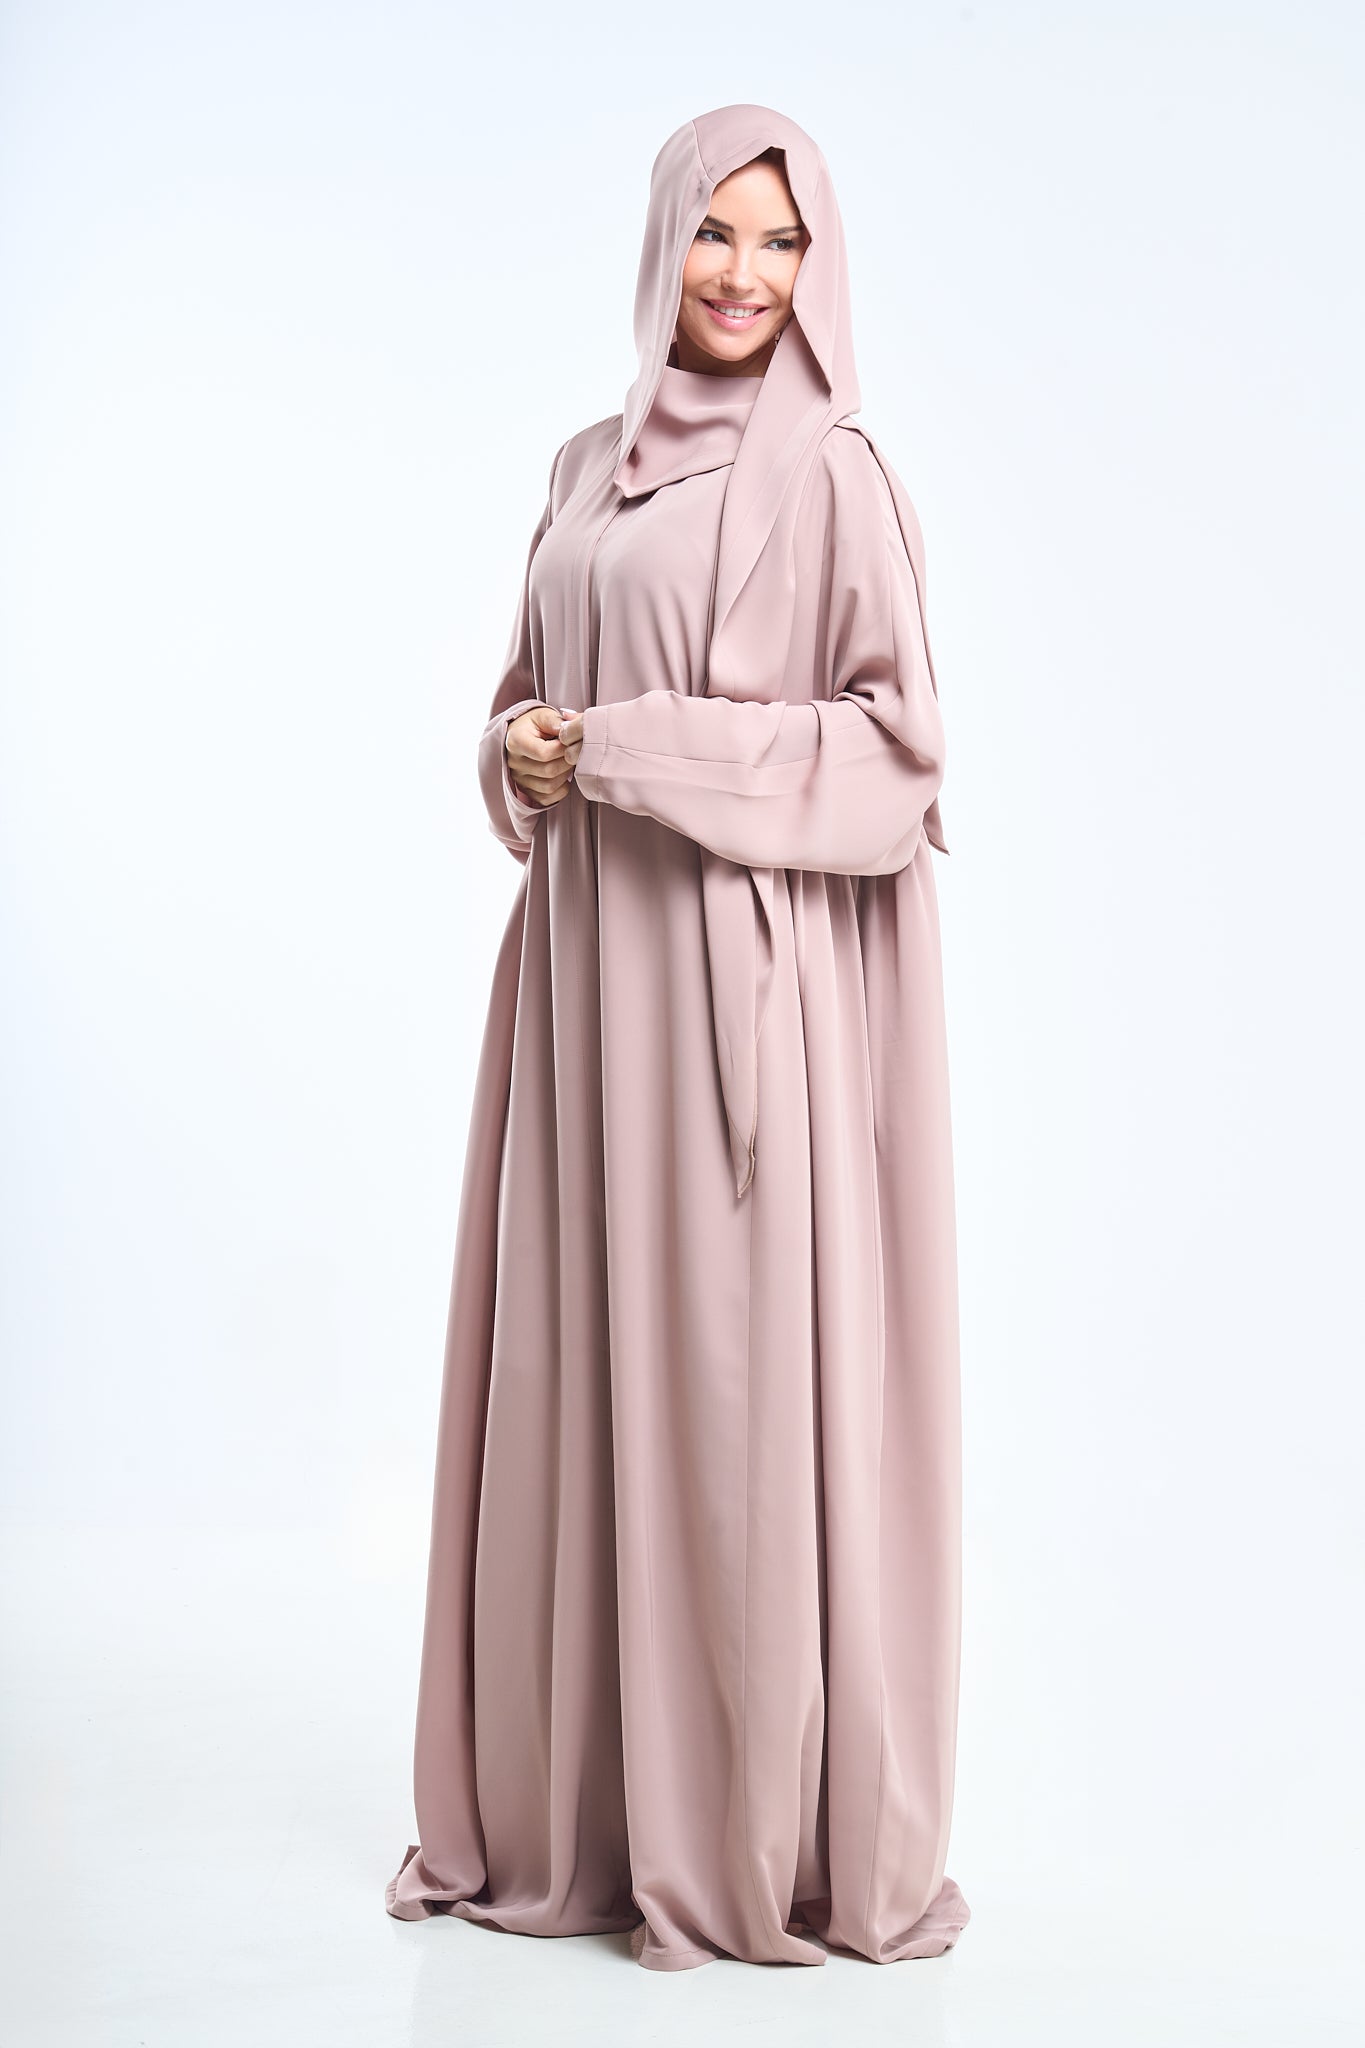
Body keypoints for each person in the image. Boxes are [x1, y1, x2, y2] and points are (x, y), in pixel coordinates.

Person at [386, 103, 970, 1974]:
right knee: (579, 1374)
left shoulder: (834, 474)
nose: (742, 274)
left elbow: (894, 756)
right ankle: (588, 1812)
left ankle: (741, 1833)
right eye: (714, 233)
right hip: (582, 1002)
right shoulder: (583, 466)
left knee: (729, 1393)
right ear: (661, 243)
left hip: (742, 1013)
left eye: (779, 241)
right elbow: (529, 707)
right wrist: (519, 750)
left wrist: (634, 748)